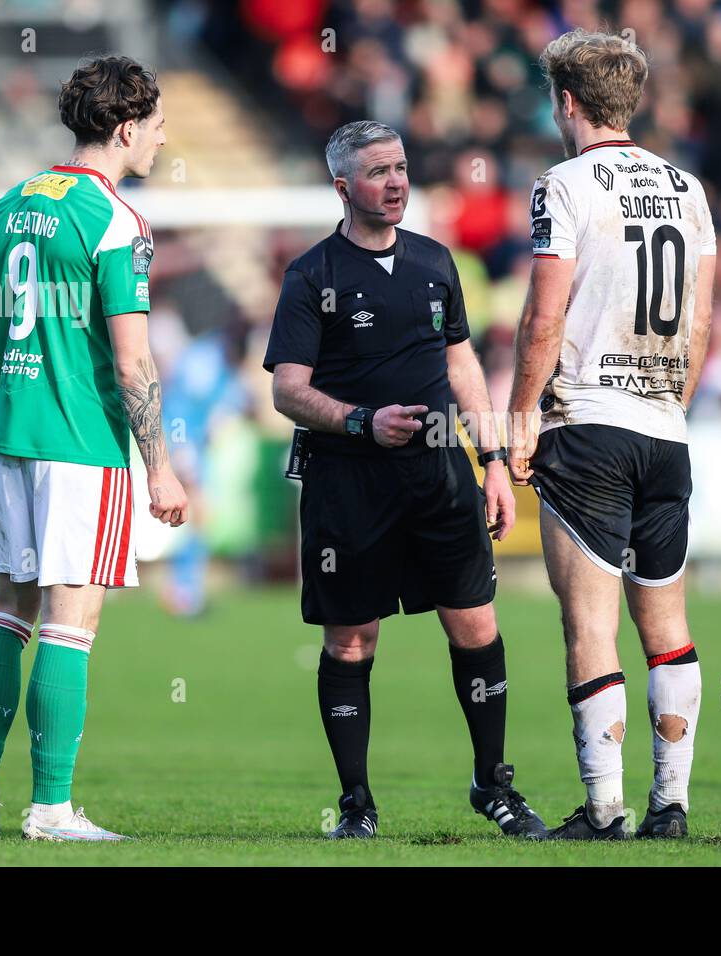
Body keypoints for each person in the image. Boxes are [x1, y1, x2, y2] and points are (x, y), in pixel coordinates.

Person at [264, 120, 546, 839]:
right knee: (351, 641)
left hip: (437, 476)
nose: (395, 182)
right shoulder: (311, 276)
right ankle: (356, 804)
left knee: (476, 624)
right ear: (342, 187)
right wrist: (362, 421)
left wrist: (490, 462)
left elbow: (462, 366)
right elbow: (288, 390)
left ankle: (494, 783)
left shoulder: (435, 261)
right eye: (378, 171)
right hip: (346, 482)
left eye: (400, 167)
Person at [0, 55, 188, 842]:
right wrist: (159, 465)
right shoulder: (116, 221)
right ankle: (51, 808)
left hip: (9, 437)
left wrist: (24, 391)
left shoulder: (8, 205)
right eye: (156, 127)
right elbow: (133, 361)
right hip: (82, 446)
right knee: (70, 625)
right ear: (126, 127)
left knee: (5, 615)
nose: (161, 141)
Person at [507, 31, 717, 840]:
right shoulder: (686, 186)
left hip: (588, 423)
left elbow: (543, 319)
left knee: (589, 625)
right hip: (666, 428)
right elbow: (700, 319)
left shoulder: (562, 185)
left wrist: (521, 422)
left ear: (566, 101)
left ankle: (604, 809)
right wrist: (673, 402)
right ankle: (672, 807)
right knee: (666, 626)